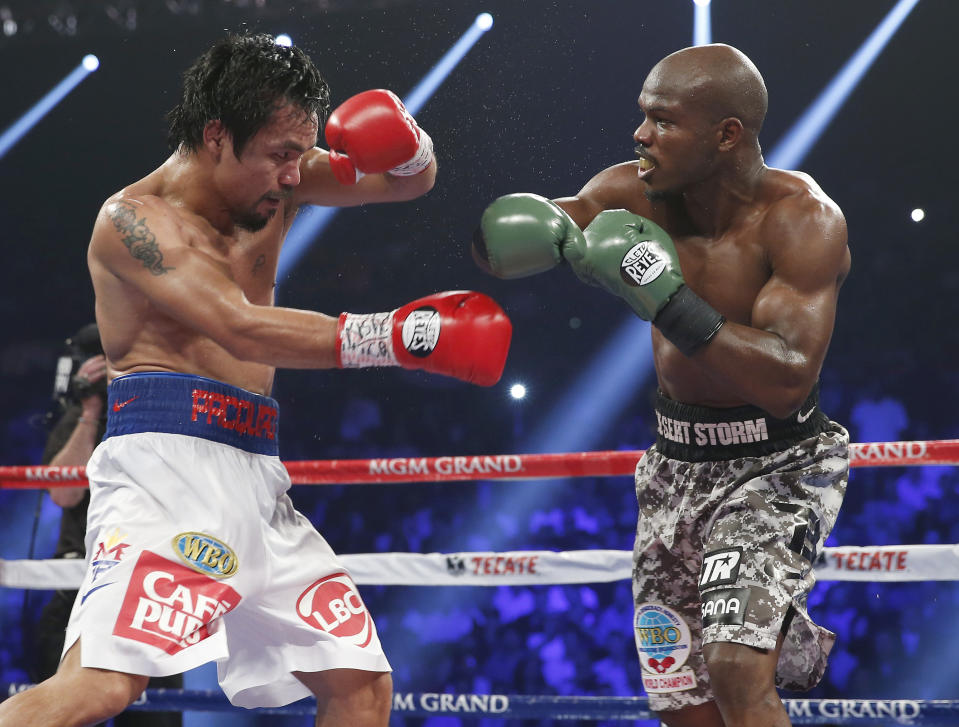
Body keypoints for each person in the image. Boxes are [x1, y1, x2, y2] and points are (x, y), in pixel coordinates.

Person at [0, 33, 511, 727]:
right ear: (217, 136)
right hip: (164, 472)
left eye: (301, 154)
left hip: (257, 474)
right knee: (99, 688)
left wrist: (409, 142)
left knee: (359, 687)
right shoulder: (135, 222)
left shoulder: (277, 179)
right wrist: (398, 336)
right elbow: (236, 326)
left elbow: (410, 180)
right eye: (280, 154)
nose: (297, 175)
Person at [473, 44, 850, 727]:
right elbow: (504, 244)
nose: (640, 134)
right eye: (641, 117)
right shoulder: (625, 192)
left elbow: (788, 381)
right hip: (673, 467)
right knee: (680, 697)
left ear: (725, 134)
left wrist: (665, 299)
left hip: (775, 464)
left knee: (736, 667)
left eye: (661, 121)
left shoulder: (801, 218)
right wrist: (495, 234)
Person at [32, 323, 183, 727]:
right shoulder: (76, 420)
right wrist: (90, 412)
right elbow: (63, 494)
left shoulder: (162, 420)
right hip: (78, 580)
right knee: (66, 707)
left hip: (145, 585)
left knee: (153, 714)